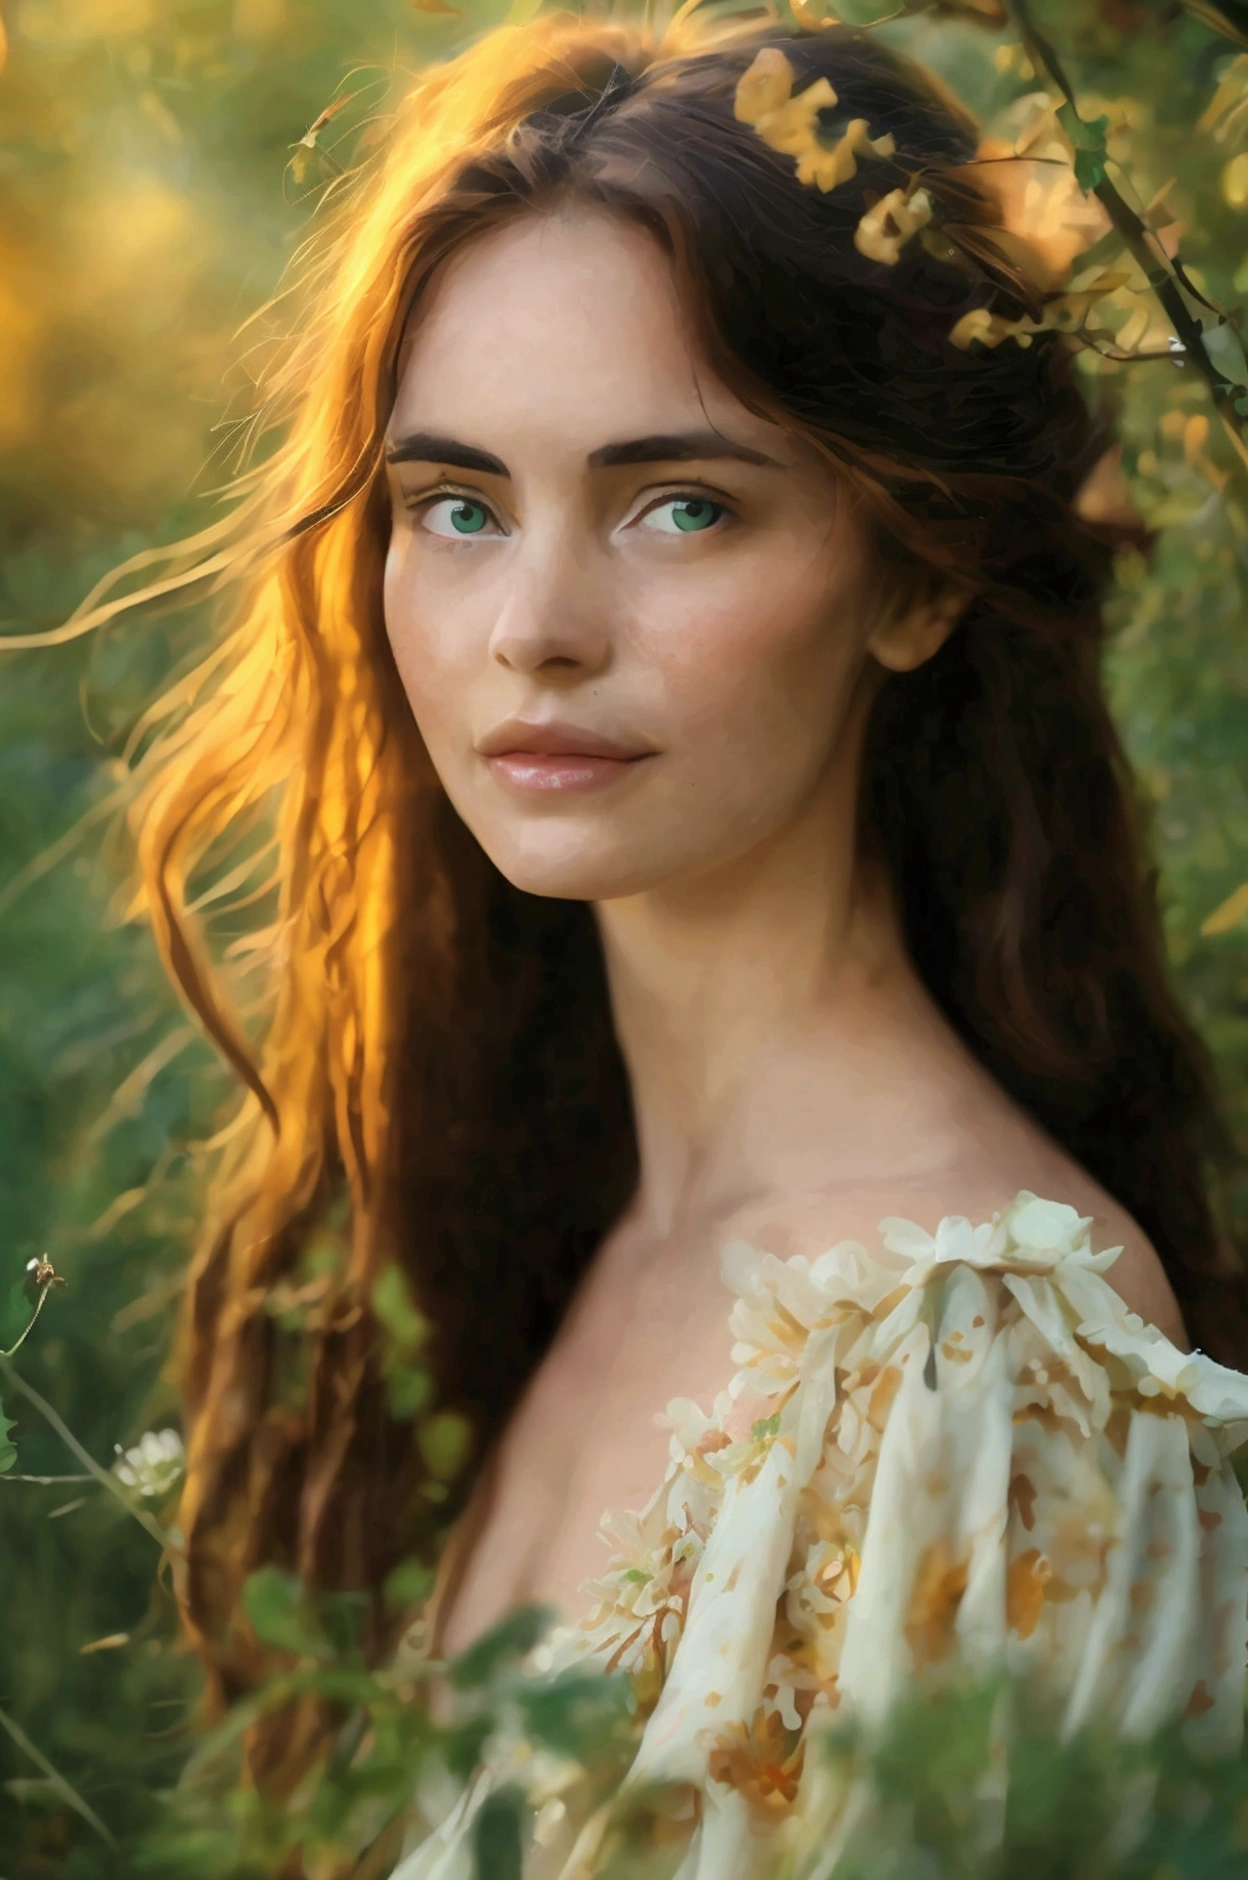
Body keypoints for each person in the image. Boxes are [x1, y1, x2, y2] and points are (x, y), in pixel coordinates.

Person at [72, 4, 1248, 1873]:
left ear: (916, 575)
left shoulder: (989, 1372)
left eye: (678, 505)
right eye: (455, 504)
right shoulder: (532, 1242)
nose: (534, 622)